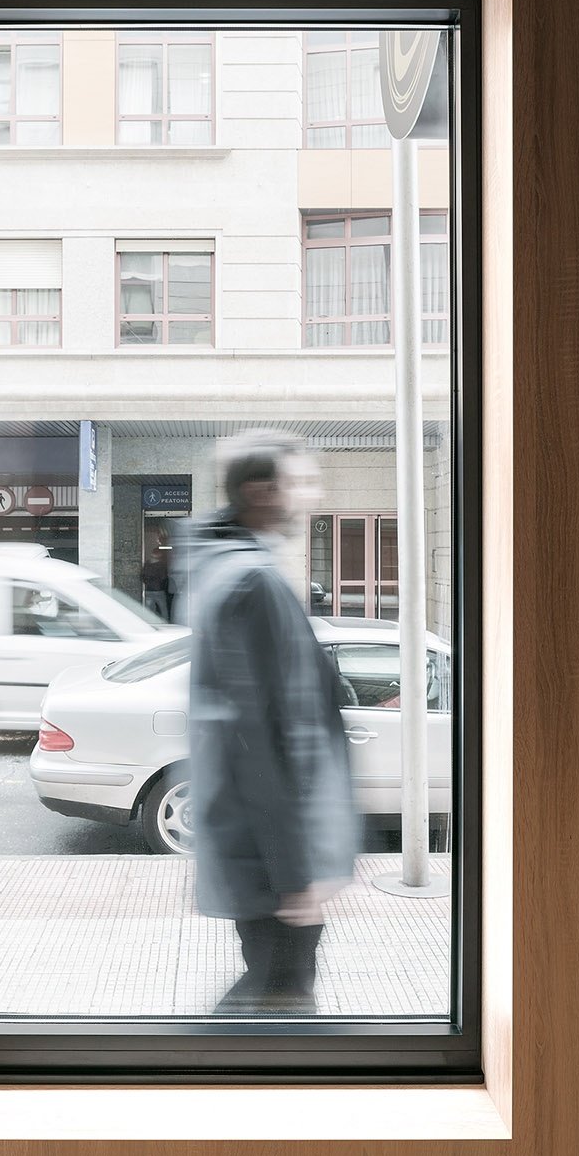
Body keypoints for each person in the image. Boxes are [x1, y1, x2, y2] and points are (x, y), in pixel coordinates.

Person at [186, 432, 358, 1016]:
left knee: (270, 998)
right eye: (301, 483)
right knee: (277, 1007)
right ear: (262, 492)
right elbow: (260, 736)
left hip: (255, 849)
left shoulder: (220, 567)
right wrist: (294, 871)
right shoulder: (254, 583)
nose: (311, 495)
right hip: (272, 859)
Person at [141, 544, 169, 618]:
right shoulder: (161, 565)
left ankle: (150, 624)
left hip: (149, 590)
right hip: (159, 590)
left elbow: (143, 576)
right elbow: (164, 578)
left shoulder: (147, 564)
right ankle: (166, 624)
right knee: (163, 610)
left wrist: (147, 583)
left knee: (148, 610)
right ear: (159, 555)